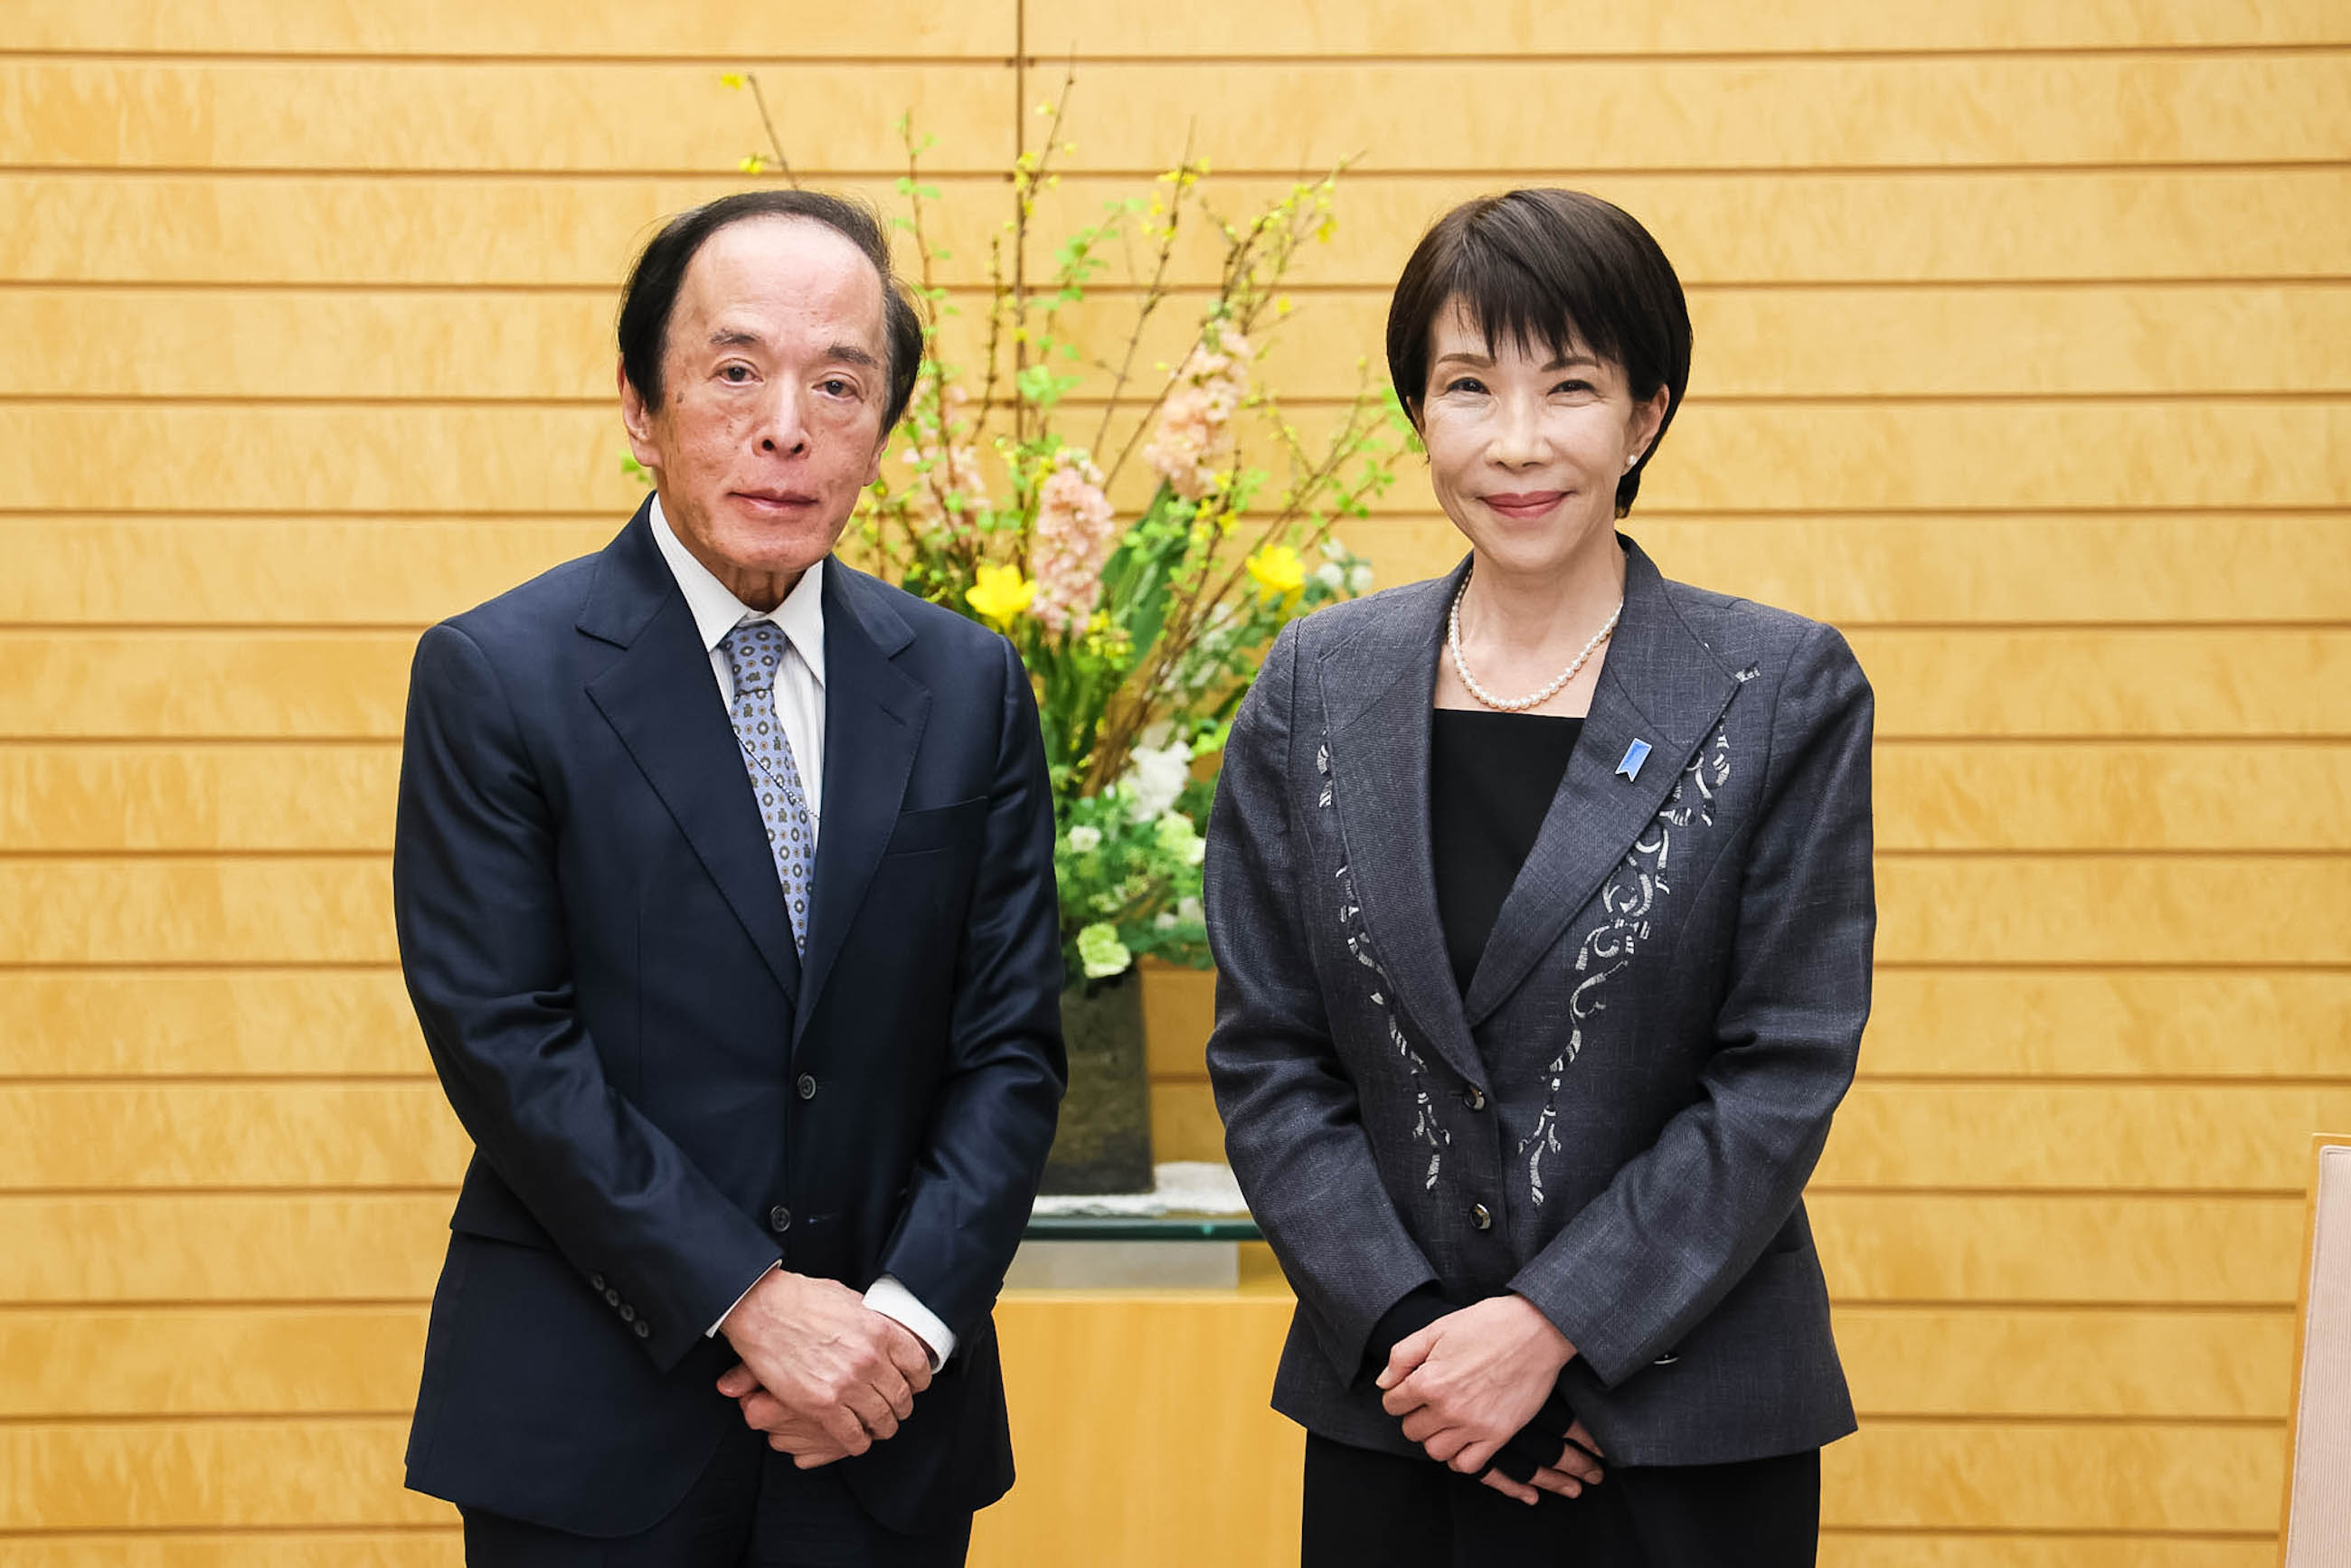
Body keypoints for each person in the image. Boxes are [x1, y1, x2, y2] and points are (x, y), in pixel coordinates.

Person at [393, 189, 1065, 1566]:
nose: (786, 427)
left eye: (840, 382)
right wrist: (752, 1298)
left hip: (882, 1423)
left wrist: (904, 1324)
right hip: (592, 1420)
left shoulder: (965, 683)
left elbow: (1011, 1046)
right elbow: (508, 1041)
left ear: (882, 425)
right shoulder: (498, 676)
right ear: (640, 405)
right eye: (737, 369)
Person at [1204, 188, 1874, 1565]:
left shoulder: (1776, 687)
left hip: (1685, 1429)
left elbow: (1778, 1072)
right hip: (1400, 1416)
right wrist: (1416, 1344)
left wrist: (1548, 1323)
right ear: (1417, 415)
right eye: (1467, 386)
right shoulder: (1313, 687)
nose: (1515, 443)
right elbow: (1271, 1058)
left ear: (1645, 416)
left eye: (1569, 386)